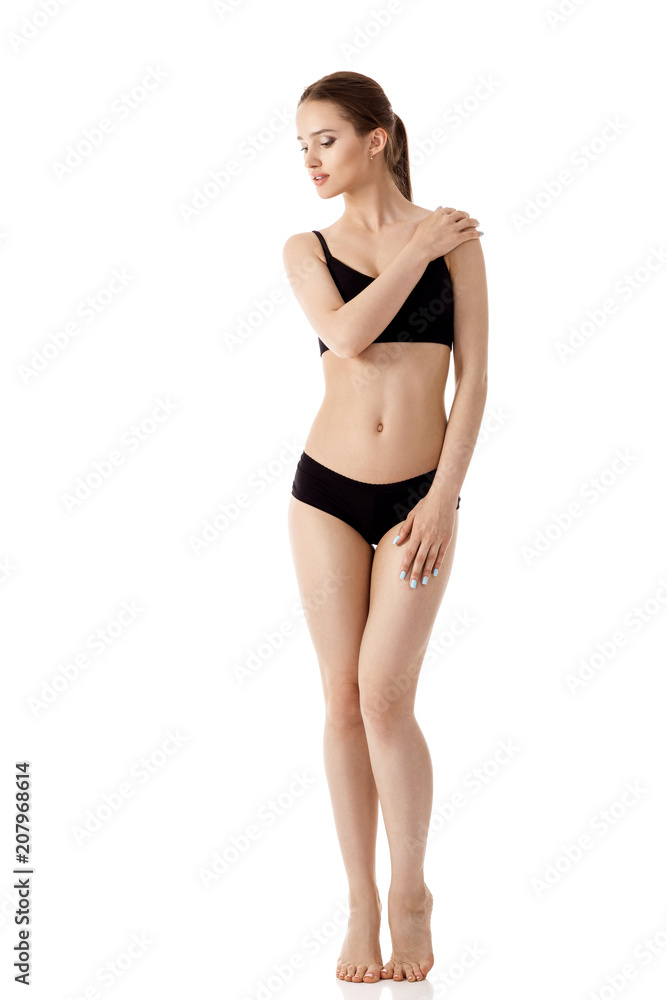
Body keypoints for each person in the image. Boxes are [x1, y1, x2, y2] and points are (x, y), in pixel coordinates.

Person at [283, 70, 488, 985]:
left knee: (385, 699)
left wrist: (442, 498)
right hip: (324, 495)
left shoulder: (455, 240)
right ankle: (359, 904)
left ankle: (410, 891)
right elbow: (346, 337)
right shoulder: (306, 249)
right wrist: (413, 251)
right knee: (339, 698)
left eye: (324, 139)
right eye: (301, 147)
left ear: (376, 138)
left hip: (417, 498)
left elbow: (474, 378)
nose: (310, 159)